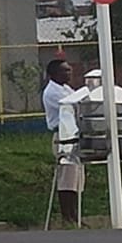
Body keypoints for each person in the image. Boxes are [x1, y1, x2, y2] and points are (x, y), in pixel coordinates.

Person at [43, 58, 82, 225]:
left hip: (74, 134)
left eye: (69, 70)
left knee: (76, 178)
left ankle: (75, 216)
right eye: (64, 71)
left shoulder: (66, 88)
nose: (69, 73)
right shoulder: (53, 92)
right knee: (66, 177)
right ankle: (67, 217)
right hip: (63, 136)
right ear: (53, 75)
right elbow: (72, 107)